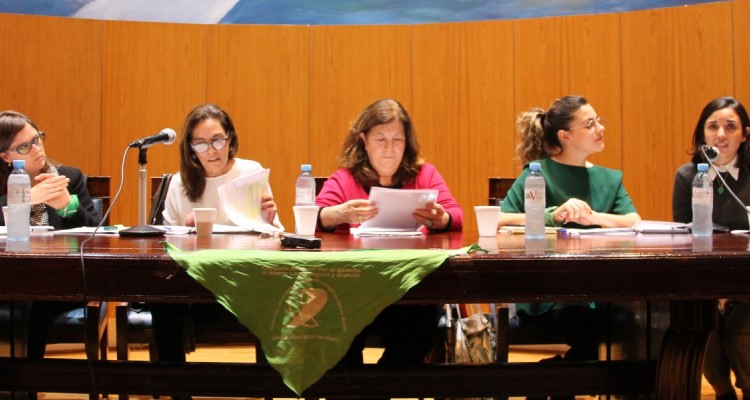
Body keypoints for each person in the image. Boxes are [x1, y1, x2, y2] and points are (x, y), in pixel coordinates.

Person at [499, 95, 641, 400]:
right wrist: (551, 213)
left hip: (601, 289)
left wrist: (594, 217)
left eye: (598, 120)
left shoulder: (609, 178)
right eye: (590, 124)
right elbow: (500, 220)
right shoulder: (537, 173)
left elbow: (632, 220)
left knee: (633, 324)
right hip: (550, 292)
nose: (600, 128)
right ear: (565, 136)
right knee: (585, 329)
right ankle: (551, 382)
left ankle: (545, 379)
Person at [315, 98, 463, 371]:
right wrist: (339, 214)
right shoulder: (345, 178)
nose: (389, 148)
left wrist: (442, 219)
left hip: (408, 290)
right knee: (336, 333)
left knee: (423, 322)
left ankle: (379, 388)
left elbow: (455, 215)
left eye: (397, 140)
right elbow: (315, 216)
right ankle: (351, 389)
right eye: (380, 139)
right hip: (354, 291)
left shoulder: (424, 174)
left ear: (407, 142)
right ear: (364, 140)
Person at [152, 104, 283, 399]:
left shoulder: (250, 171)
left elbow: (276, 236)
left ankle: (265, 388)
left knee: (272, 297)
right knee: (162, 302)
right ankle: (176, 388)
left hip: (243, 280)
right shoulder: (179, 183)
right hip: (194, 281)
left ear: (230, 140)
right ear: (190, 148)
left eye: (218, 140)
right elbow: (167, 241)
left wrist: (269, 220)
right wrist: (187, 232)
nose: (211, 150)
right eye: (201, 143)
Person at [0, 110, 100, 362]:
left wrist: (69, 206)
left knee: (35, 301)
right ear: (5, 157)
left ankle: (28, 381)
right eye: (24, 147)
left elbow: (97, 233)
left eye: (37, 139)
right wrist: (23, 199)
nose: (36, 149)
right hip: (8, 275)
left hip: (58, 277)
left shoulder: (69, 177)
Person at [672, 96, 750, 400]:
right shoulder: (688, 176)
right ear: (702, 134)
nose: (721, 135)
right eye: (713, 126)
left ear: (745, 134)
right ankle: (722, 392)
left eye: (730, 127)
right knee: (700, 328)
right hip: (707, 280)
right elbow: (684, 235)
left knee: (740, 333)